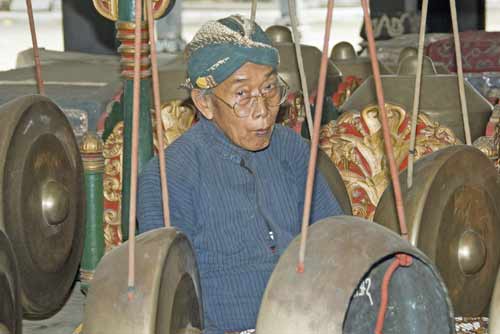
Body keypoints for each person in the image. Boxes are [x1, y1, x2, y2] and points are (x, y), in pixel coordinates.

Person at [138, 15, 343, 334]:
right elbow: (168, 298)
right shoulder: (170, 175)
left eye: (270, 89)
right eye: (242, 95)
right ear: (204, 103)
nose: (262, 109)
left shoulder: (293, 151)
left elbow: (336, 240)